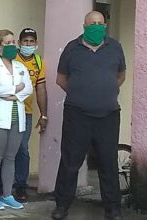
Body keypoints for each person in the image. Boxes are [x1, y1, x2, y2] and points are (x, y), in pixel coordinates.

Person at [52, 11, 126, 220]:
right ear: (84, 26)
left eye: (100, 23)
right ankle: (62, 206)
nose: (96, 26)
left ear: (105, 26)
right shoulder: (71, 48)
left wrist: (104, 90)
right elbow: (61, 79)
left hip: (108, 115)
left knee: (108, 162)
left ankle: (113, 209)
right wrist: (80, 93)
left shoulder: (115, 47)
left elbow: (120, 76)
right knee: (70, 162)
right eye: (92, 23)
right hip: (77, 115)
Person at [0, 29, 33, 210]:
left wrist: (14, 94)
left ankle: (7, 195)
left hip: (16, 117)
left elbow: (28, 89)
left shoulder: (21, 67)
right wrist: (16, 88)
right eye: (8, 43)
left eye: (14, 42)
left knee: (10, 157)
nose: (13, 46)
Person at [14, 28, 48, 203]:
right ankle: (3, 185)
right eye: (25, 41)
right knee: (6, 148)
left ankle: (20, 185)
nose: (28, 44)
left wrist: (44, 115)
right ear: (19, 43)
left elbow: (40, 88)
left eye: (31, 41)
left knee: (22, 148)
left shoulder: (39, 62)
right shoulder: (12, 57)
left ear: (36, 43)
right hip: (7, 110)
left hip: (26, 112)